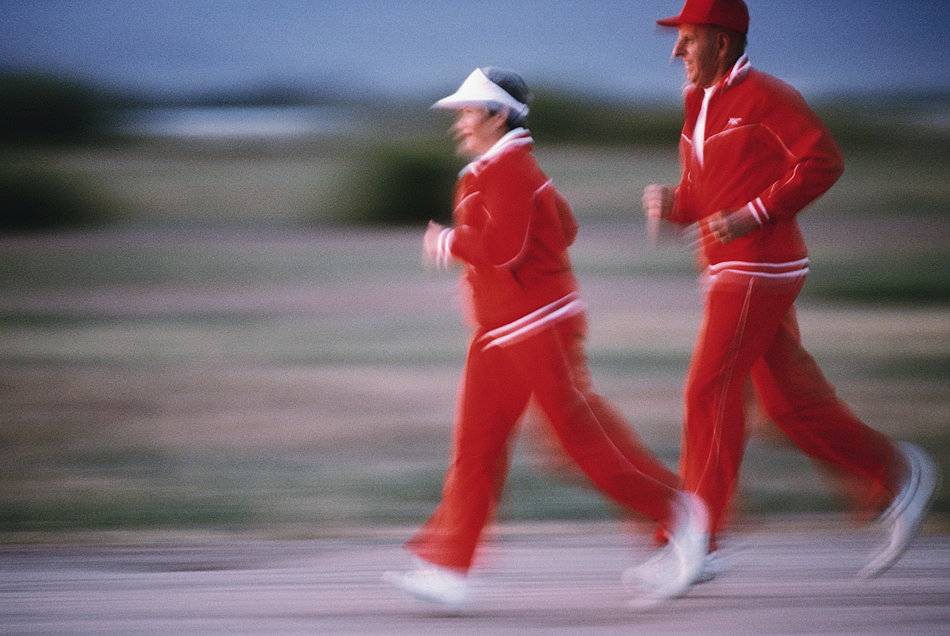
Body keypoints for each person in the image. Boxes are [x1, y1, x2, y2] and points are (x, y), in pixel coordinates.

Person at [384, 66, 708, 611]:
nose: (458, 123)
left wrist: (449, 243)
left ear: (496, 115)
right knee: (476, 448)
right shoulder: (505, 169)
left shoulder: (510, 169)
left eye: (467, 112)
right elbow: (565, 225)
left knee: (574, 444)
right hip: (501, 330)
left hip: (535, 328)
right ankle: (450, 566)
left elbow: (505, 248)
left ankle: (678, 512)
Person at [640, 0, 937, 581]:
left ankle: (699, 537)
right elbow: (707, 190)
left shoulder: (768, 97)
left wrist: (755, 214)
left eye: (688, 38)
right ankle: (897, 473)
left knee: (709, 389)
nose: (676, 51)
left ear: (723, 43)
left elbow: (822, 162)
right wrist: (676, 205)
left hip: (759, 267)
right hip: (727, 267)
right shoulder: (697, 102)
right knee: (784, 405)